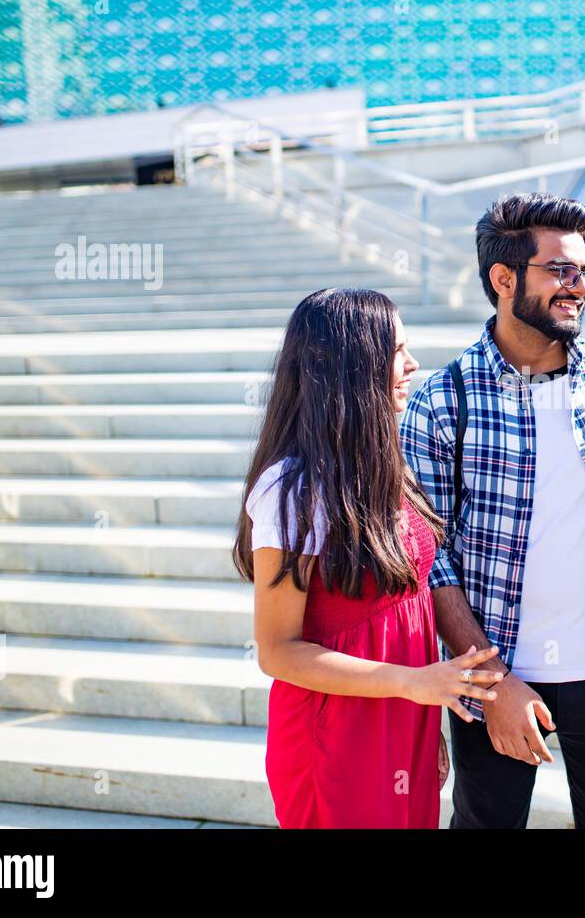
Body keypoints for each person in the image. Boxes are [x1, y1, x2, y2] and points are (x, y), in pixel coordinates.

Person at [400, 193, 585, 829]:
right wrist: (497, 682)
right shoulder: (442, 401)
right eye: (560, 271)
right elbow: (431, 561)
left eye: (584, 271)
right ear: (503, 280)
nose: (578, 287)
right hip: (494, 677)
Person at [233, 288, 505, 829]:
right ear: (351, 367)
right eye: (396, 350)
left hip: (401, 718)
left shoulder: (385, 464)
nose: (412, 364)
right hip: (334, 732)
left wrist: (419, 721)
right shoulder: (291, 489)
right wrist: (412, 685)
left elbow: (411, 608)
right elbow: (277, 652)